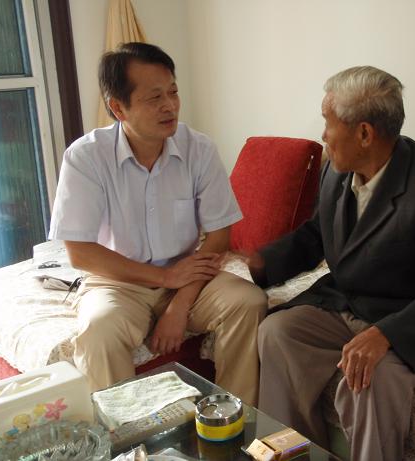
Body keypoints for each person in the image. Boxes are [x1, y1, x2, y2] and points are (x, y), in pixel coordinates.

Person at [248, 66, 415, 460]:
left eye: (328, 123)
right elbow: (317, 234)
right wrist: (258, 265)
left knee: (365, 379)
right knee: (277, 333)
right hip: (349, 303)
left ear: (364, 134)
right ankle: (296, 455)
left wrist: (385, 334)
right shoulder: (337, 169)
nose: (323, 135)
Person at [49, 42, 266, 405]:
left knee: (248, 302)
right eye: (154, 98)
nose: (170, 106)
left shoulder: (199, 149)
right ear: (118, 108)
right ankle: (125, 434)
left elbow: (219, 236)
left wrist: (179, 304)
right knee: (99, 330)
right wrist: (164, 278)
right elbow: (81, 253)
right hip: (118, 281)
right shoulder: (86, 157)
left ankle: (232, 419)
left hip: (189, 275)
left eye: (173, 92)